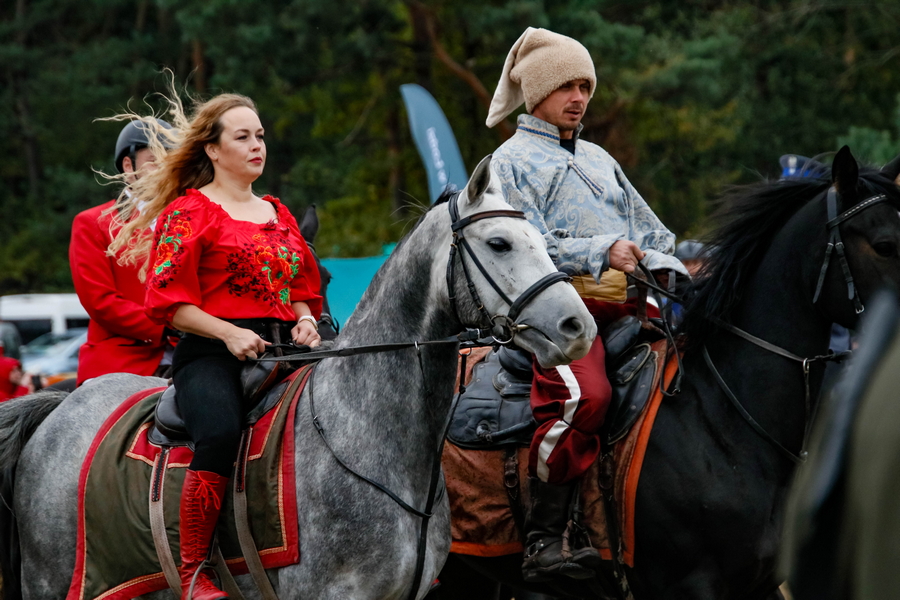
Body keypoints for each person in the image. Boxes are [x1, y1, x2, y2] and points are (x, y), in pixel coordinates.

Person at [485, 27, 688, 582]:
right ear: (537, 92)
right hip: (555, 316)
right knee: (586, 398)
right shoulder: (508, 161)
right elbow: (520, 245)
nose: (579, 98)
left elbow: (654, 234)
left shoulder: (600, 158)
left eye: (585, 87)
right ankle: (544, 535)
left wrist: (672, 262)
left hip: (628, 308)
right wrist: (602, 250)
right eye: (566, 86)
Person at [108, 93, 322, 600]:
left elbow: (300, 288)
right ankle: (191, 572)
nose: (256, 146)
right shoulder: (188, 212)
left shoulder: (278, 213)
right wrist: (228, 332)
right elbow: (167, 304)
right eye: (242, 137)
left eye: (260, 136)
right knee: (221, 433)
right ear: (212, 148)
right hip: (210, 354)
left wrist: (307, 321)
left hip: (284, 351)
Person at [70, 119, 174, 385]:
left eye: (172, 161)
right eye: (154, 161)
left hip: (194, 353)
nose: (166, 170)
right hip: (125, 358)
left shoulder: (192, 219)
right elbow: (101, 302)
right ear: (129, 166)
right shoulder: (94, 222)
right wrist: (169, 328)